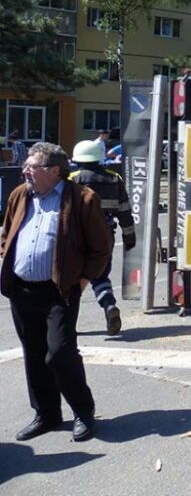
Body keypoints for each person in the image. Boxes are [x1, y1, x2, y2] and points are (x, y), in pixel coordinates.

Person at [0, 142, 110, 442]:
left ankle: (83, 412)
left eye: (32, 167)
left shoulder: (82, 199)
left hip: (59, 292)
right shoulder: (19, 195)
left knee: (60, 353)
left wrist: (83, 280)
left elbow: (101, 248)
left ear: (53, 171)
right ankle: (46, 414)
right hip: (22, 290)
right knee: (33, 355)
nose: (25, 170)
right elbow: (7, 231)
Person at [70, 140, 135, 335]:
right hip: (105, 234)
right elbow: (124, 210)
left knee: (72, 280)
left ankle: (67, 324)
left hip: (78, 235)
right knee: (100, 276)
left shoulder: (72, 179)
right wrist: (129, 236)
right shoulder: (114, 178)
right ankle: (108, 305)